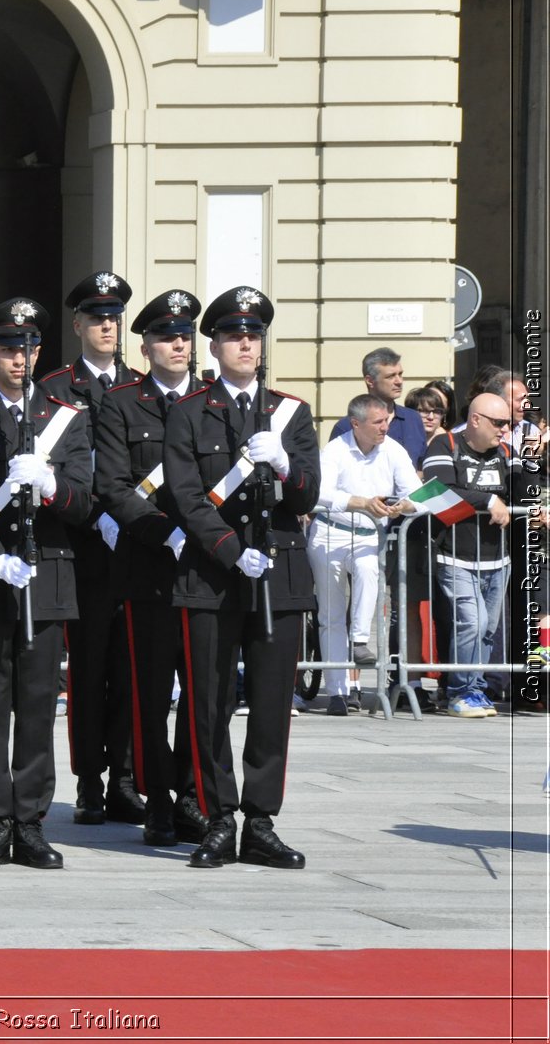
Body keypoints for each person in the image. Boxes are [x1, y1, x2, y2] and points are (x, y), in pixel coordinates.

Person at [164, 286, 320, 870]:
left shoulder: (290, 413)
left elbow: (309, 490)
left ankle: (260, 820)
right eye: (234, 335)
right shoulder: (188, 411)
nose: (246, 344)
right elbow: (185, 497)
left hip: (279, 573)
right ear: (215, 344)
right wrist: (232, 551)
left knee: (274, 701)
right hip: (212, 574)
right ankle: (216, 816)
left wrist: (283, 462)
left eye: (253, 335)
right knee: (207, 701)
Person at [0, 296, 91, 870]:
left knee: (35, 705)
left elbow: (84, 502)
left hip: (47, 577)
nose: (19, 359)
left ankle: (29, 821)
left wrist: (52, 484)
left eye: (28, 349)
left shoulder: (66, 419)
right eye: (7, 348)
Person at [93, 289, 207, 847]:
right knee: (149, 691)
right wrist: (166, 531)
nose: (178, 345)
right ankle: (156, 799)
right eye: (167, 336)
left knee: (203, 692)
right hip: (148, 566)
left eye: (185, 335)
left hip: (209, 568)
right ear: (145, 345)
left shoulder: (214, 400)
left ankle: (191, 794)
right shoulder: (120, 403)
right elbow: (113, 486)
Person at [40, 271, 145, 828]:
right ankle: (90, 782)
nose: (107, 325)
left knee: (131, 664)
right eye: (97, 317)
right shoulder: (55, 389)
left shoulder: (141, 384)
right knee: (88, 666)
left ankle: (127, 776)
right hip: (81, 545)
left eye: (114, 317)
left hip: (132, 543)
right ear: (77, 324)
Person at [421, 392, 542, 717]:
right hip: (455, 556)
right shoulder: (444, 444)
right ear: (475, 420)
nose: (505, 429)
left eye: (507, 423)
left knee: (487, 629)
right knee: (471, 623)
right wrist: (488, 501)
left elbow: (525, 488)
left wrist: (532, 474)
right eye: (498, 423)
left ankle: (474, 689)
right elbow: (437, 491)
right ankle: (461, 692)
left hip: (496, 559)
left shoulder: (506, 451)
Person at [309, 395, 421, 715]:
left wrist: (406, 505)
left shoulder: (393, 450)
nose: (385, 427)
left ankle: (359, 641)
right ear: (356, 424)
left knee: (369, 569)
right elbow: (320, 492)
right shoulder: (335, 450)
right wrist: (361, 502)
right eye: (378, 422)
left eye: (386, 420)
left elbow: (419, 492)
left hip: (369, 535)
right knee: (330, 615)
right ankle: (337, 692)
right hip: (330, 533)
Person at [328, 348, 428, 467]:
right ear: (370, 381)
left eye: (400, 374)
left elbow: (422, 466)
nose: (399, 381)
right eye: (391, 376)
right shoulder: (346, 426)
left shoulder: (413, 418)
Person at [406, 386, 449, 452]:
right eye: (424, 411)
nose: (431, 417)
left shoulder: (449, 443)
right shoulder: (400, 439)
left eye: (436, 412)